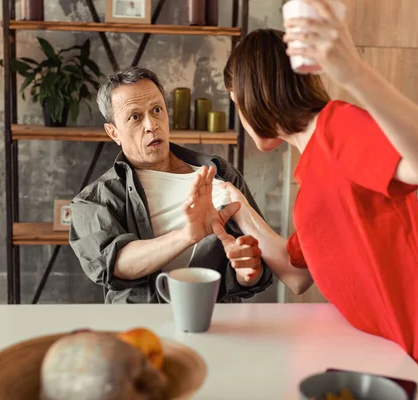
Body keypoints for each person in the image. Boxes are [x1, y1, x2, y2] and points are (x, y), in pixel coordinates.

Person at [215, 1, 418, 399]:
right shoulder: (312, 173)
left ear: (253, 94)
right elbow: (298, 276)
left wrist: (352, 71)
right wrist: (238, 207)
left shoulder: (338, 127)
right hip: (405, 366)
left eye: (236, 102)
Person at [69, 66, 272, 304]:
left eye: (157, 110)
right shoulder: (94, 200)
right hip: (139, 328)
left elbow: (258, 263)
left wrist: (247, 271)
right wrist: (187, 235)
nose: (151, 124)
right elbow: (115, 264)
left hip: (214, 320)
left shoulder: (220, 175)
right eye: (135, 117)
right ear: (113, 132)